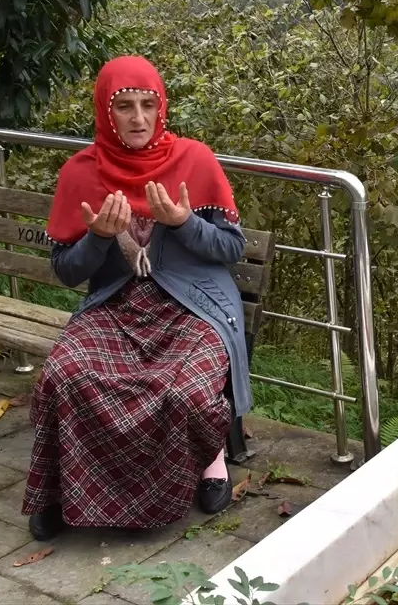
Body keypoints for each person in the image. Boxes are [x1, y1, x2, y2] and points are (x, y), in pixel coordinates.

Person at [22, 55, 253, 541]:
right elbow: (66, 271)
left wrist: (184, 223)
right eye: (124, 106)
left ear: (162, 106)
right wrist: (99, 238)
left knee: (186, 389)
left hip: (196, 304)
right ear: (106, 113)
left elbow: (232, 248)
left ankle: (211, 462)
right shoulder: (80, 172)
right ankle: (59, 488)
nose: (138, 119)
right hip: (117, 303)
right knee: (65, 373)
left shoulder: (195, 160)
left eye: (148, 105)